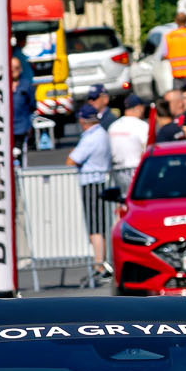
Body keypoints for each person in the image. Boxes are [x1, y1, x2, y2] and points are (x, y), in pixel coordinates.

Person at [68, 102, 113, 277]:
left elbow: (71, 160)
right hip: (100, 181)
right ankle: (102, 263)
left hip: (92, 183)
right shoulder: (102, 133)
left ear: (83, 120)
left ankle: (99, 265)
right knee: (99, 225)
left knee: (95, 227)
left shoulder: (91, 137)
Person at [108, 93, 150, 175]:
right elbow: (146, 149)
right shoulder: (142, 126)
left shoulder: (113, 126)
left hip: (117, 172)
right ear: (138, 108)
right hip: (136, 171)